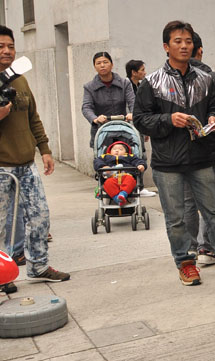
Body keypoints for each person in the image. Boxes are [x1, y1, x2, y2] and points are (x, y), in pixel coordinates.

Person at [133, 20, 215, 285]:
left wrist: (213, 117)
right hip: (168, 162)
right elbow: (140, 120)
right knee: (176, 218)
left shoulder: (205, 79)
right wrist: (168, 119)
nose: (184, 46)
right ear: (166, 47)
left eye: (188, 41)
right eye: (178, 41)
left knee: (213, 212)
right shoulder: (151, 82)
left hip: (200, 157)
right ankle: (185, 263)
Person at [0, 24, 71, 283]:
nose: (7, 51)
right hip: (1, 167)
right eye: (0, 46)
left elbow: (33, 117)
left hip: (27, 163)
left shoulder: (19, 79)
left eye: (10, 46)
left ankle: (38, 265)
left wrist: (45, 149)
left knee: (40, 217)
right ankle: (2, 276)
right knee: (1, 226)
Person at [182, 31, 215, 266]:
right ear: (200, 50)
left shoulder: (168, 81)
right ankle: (208, 247)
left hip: (183, 152)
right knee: (210, 201)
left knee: (188, 202)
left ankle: (189, 249)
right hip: (210, 150)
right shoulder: (213, 78)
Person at [82, 51, 135, 147]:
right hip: (101, 131)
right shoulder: (89, 87)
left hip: (123, 129)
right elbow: (86, 107)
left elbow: (132, 102)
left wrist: (132, 113)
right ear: (95, 67)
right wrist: (95, 119)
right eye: (98, 63)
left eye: (105, 62)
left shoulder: (124, 83)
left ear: (112, 65)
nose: (102, 65)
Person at [93, 140, 146, 206]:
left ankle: (122, 194)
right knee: (107, 184)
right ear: (110, 151)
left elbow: (138, 161)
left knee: (130, 181)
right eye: (114, 149)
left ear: (126, 151)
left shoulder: (130, 157)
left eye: (120, 149)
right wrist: (103, 166)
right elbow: (97, 162)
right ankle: (117, 199)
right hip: (111, 177)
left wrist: (141, 165)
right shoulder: (105, 157)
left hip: (126, 176)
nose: (117, 151)